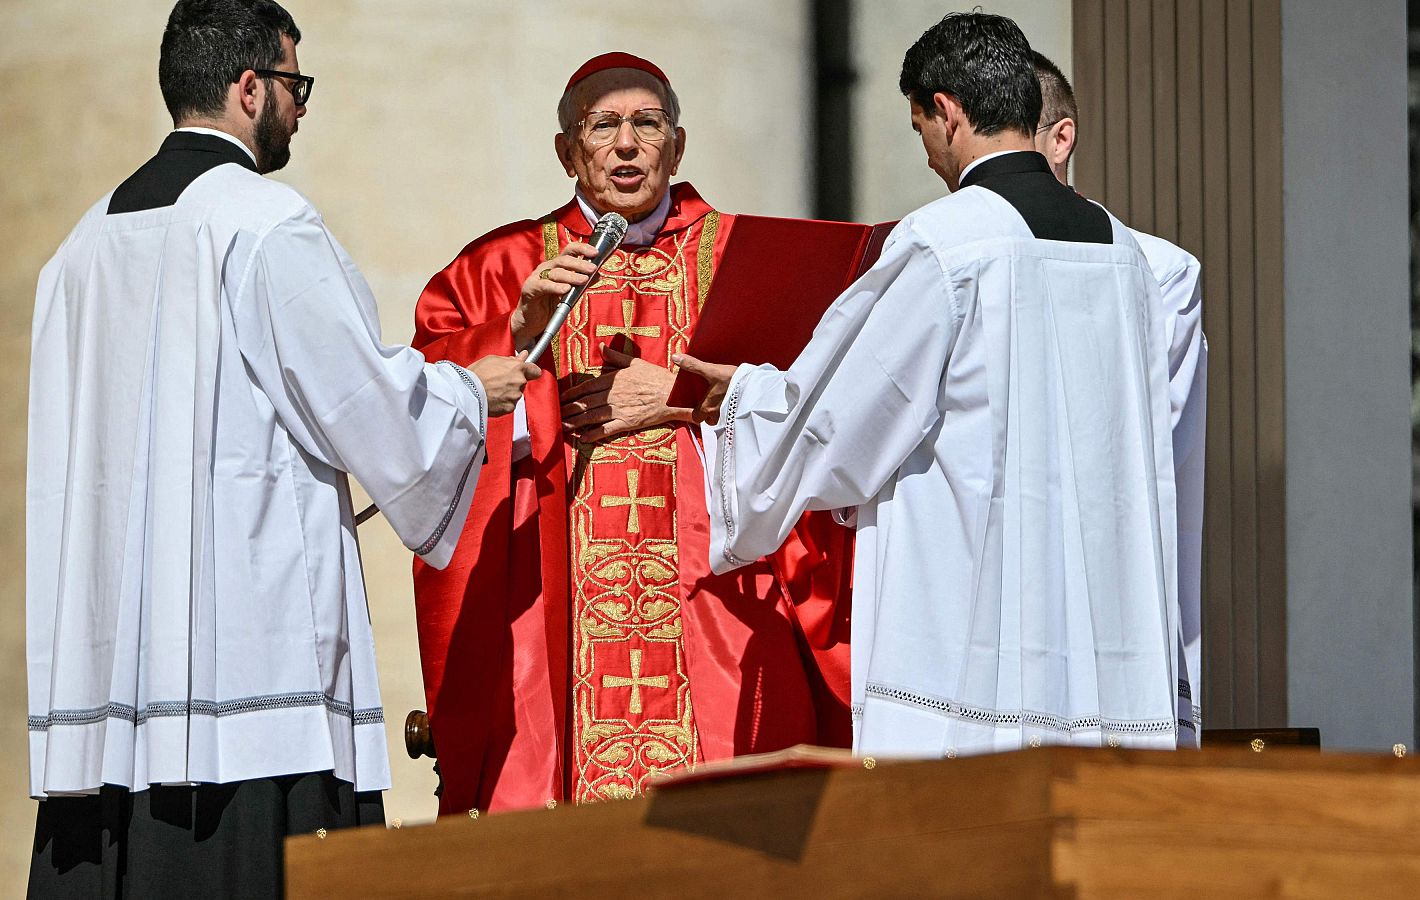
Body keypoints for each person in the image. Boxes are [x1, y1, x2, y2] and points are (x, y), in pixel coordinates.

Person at [25, 1, 536, 895]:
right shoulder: (265, 223)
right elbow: (365, 403)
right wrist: (473, 390)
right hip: (250, 685)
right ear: (249, 87)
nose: (302, 109)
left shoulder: (79, 246)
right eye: (296, 86)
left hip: (110, 684)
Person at [676, 12, 1184, 758]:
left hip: (970, 644)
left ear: (946, 113)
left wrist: (746, 400)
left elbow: (842, 421)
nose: (926, 158)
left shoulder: (947, 241)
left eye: (919, 129)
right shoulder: (1126, 254)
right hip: (1103, 641)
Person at [412, 52, 851, 811]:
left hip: (716, 605)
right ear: (567, 151)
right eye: (603, 125)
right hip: (553, 603)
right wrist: (515, 339)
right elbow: (419, 409)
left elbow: (828, 409)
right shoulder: (500, 267)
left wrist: (682, 400)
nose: (626, 144)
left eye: (646, 124)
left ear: (676, 147)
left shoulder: (751, 259)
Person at [1033, 50, 1206, 745]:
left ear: (1060, 138)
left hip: (1111, 595)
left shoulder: (1156, 272)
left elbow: (1148, 444)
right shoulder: (940, 254)